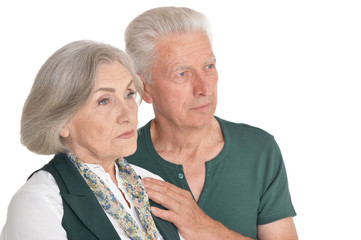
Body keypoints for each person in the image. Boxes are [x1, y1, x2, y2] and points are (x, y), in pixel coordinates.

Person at [125, 7, 298, 240]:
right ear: (145, 88)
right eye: (182, 74)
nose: (204, 89)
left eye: (209, 67)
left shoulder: (258, 150)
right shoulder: (119, 159)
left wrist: (207, 230)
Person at [0, 40, 174, 240]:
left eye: (128, 94)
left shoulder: (151, 184)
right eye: (104, 101)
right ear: (63, 122)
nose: (127, 115)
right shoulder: (38, 202)